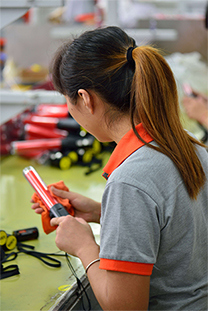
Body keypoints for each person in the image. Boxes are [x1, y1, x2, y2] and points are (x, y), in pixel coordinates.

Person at [31, 26, 208, 310]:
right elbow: (179, 227)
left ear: (86, 99)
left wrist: (84, 246)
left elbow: (124, 306)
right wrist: (105, 214)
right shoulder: (187, 144)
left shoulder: (130, 181)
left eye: (69, 103)